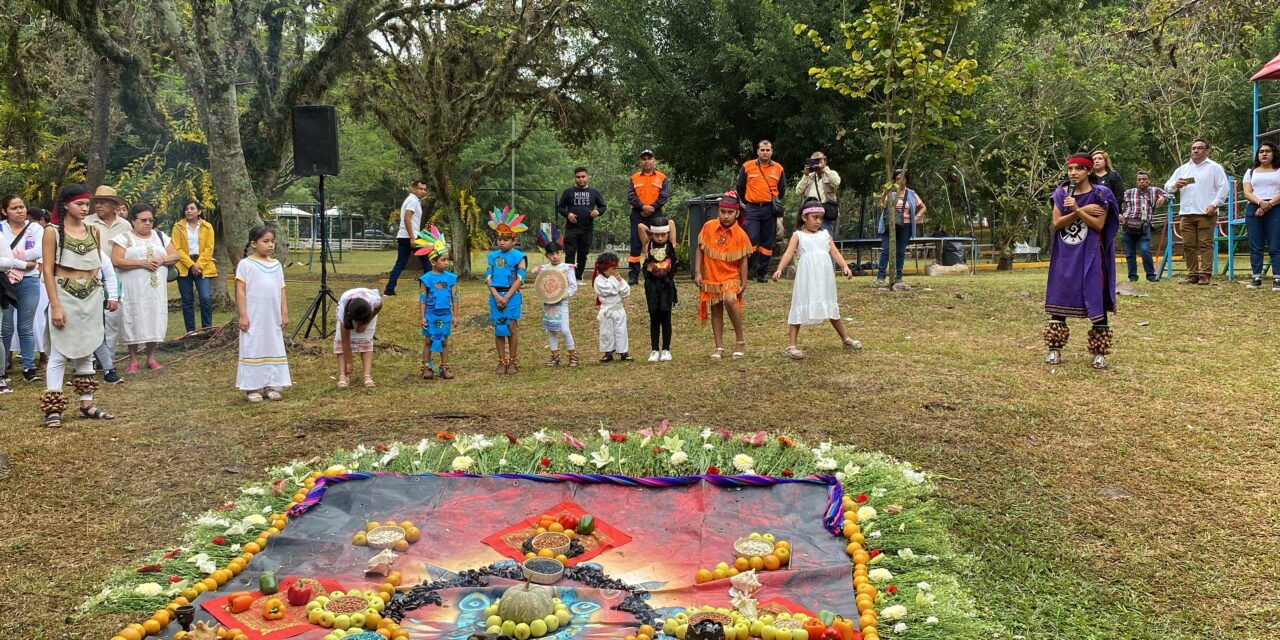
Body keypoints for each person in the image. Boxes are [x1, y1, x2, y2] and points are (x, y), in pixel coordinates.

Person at [40, 184, 120, 427]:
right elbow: (47, 269)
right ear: (66, 205)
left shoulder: (93, 231)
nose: (85, 208)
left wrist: (94, 282)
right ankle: (53, 408)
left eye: (87, 204)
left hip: (90, 297)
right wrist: (55, 305)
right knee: (59, 353)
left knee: (87, 348)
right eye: (80, 204)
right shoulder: (53, 232)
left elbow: (96, 261)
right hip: (64, 296)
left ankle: (87, 403)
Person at [1044, 154, 1120, 370]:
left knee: (1095, 292)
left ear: (1089, 171)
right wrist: (1081, 211)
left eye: (1078, 169)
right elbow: (1058, 223)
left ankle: (1099, 352)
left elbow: (1098, 225)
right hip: (1065, 253)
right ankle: (1054, 348)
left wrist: (1077, 209)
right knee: (1061, 293)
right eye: (1070, 169)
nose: (1073, 173)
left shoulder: (1100, 193)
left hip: (1091, 252)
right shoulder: (1061, 192)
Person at [772, 201, 860, 359]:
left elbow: (835, 253)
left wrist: (844, 266)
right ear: (804, 217)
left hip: (824, 278)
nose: (818, 221)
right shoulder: (798, 235)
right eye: (815, 217)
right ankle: (792, 345)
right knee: (799, 305)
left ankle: (845, 338)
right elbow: (788, 254)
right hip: (807, 278)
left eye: (821, 218)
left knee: (830, 304)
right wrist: (779, 269)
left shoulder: (825, 235)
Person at [110, 203, 178, 372]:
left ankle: (151, 357)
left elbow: (176, 255)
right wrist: (141, 262)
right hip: (132, 289)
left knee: (154, 319)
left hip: (155, 290)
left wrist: (162, 260)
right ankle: (133, 359)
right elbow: (116, 260)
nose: (148, 223)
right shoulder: (124, 238)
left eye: (151, 220)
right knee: (132, 320)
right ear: (134, 221)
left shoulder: (160, 236)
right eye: (143, 220)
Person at [235, 226, 291, 402]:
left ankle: (271, 385)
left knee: (271, 346)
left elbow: (281, 289)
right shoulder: (245, 264)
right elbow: (241, 290)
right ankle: (251, 388)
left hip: (272, 317)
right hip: (254, 316)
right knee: (253, 345)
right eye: (265, 241)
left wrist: (284, 312)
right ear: (253, 243)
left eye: (272, 241)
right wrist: (243, 315)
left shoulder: (276, 265)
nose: (270, 245)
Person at [695, 193, 752, 360]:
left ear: (737, 214)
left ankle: (740, 341)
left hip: (731, 276)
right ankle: (719, 347)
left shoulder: (740, 234)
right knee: (716, 308)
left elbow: (743, 260)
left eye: (730, 213)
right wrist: (698, 272)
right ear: (719, 211)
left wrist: (744, 281)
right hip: (711, 276)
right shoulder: (708, 227)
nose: (726, 216)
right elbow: (700, 249)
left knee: (730, 300)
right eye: (723, 212)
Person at [1164, 139, 1229, 285]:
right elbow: (1167, 187)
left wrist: (1214, 204)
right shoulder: (1183, 169)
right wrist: (1175, 184)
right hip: (1186, 213)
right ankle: (1192, 274)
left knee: (1205, 244)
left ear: (1207, 150)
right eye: (1193, 148)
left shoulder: (1214, 168)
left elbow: (1223, 189)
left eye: (1200, 148)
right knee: (1188, 245)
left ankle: (1205, 274)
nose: (1196, 151)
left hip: (1206, 212)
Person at [85, 185, 131, 384]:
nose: (99, 205)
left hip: (116, 275)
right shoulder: (87, 222)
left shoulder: (125, 225)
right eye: (97, 202)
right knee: (92, 320)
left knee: (111, 319)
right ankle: (89, 361)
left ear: (115, 205)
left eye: (103, 202)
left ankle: (107, 359)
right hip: (91, 275)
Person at [1, 195, 44, 383]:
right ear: (4, 211)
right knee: (6, 327)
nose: (20, 211)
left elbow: (39, 251)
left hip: (29, 281)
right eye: (14, 208)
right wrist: (24, 263)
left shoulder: (34, 228)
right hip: (5, 281)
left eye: (22, 206)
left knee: (26, 326)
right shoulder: (1, 229)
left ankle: (29, 367)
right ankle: (3, 368)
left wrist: (13, 259)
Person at [736, 140, 787, 282]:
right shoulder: (747, 166)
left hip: (769, 209)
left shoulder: (778, 168)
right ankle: (747, 268)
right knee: (751, 238)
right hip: (752, 208)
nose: (765, 152)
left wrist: (772, 202)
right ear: (757, 151)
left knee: (767, 242)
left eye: (768, 150)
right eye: (762, 150)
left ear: (772, 151)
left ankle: (762, 273)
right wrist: (747, 202)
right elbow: (740, 187)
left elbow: (781, 190)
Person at [529, 225, 580, 367]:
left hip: (562, 303)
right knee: (551, 329)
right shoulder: (544, 269)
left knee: (564, 329)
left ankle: (573, 355)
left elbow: (573, 286)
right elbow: (541, 284)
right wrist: (547, 295)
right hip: (548, 303)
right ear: (547, 256)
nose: (555, 256)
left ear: (561, 252)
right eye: (551, 254)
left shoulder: (567, 268)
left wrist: (563, 295)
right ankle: (555, 355)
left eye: (557, 253)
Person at [486, 207, 528, 374]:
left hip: (512, 297)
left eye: (506, 239)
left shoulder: (519, 256)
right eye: (499, 239)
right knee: (499, 329)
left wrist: (507, 296)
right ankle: (501, 361)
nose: (502, 242)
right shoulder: (492, 257)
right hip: (496, 296)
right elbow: (488, 277)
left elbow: (520, 278)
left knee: (511, 328)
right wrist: (496, 296)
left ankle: (513, 361)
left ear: (514, 239)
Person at [417, 225, 458, 380]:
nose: (447, 262)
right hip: (431, 314)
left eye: (448, 259)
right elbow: (423, 299)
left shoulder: (451, 278)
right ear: (433, 262)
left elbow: (454, 298)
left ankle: (444, 368)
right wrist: (422, 317)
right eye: (443, 260)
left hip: (445, 314)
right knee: (428, 340)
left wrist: (455, 315)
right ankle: (426, 368)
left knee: (444, 341)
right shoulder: (426, 279)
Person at [171, 200, 217, 332]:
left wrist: (199, 265)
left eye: (192, 208)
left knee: (205, 298)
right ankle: (190, 331)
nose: (189, 211)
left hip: (203, 265)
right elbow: (177, 248)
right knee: (187, 300)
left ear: (199, 211)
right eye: (186, 209)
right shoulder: (178, 227)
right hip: (184, 266)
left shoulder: (207, 227)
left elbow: (209, 248)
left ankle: (207, 329)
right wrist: (191, 265)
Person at [877, 170, 927, 290]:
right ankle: (881, 277)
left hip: (906, 226)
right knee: (886, 250)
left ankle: (898, 277)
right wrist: (884, 194)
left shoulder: (911, 194)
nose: (901, 181)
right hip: (889, 225)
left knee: (900, 252)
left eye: (904, 178)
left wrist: (917, 216)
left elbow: (923, 207)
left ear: (907, 180)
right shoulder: (890, 192)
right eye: (898, 178)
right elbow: (881, 205)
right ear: (894, 180)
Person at [638, 216, 677, 362]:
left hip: (666, 287)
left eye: (663, 234)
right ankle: (654, 350)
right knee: (654, 318)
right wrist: (651, 232)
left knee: (666, 318)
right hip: (652, 287)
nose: (660, 238)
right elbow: (640, 226)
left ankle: (666, 349)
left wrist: (663, 229)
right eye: (657, 235)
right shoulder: (648, 245)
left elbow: (671, 223)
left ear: (667, 234)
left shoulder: (671, 245)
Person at [627, 150, 669, 284]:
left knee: (657, 242)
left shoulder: (662, 177)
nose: (646, 161)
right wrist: (642, 207)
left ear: (654, 160)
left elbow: (664, 196)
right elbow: (631, 196)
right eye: (644, 159)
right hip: (637, 213)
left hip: (655, 214)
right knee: (635, 244)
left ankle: (655, 271)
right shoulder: (634, 177)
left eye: (649, 158)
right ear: (641, 161)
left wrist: (651, 208)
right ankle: (633, 276)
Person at [557, 167, 607, 281]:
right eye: (578, 177)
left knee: (582, 254)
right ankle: (569, 279)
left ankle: (578, 277)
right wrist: (568, 214)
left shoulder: (594, 192)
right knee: (570, 254)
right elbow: (560, 207)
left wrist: (598, 212)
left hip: (587, 229)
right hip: (571, 229)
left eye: (583, 177)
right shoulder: (568, 192)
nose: (580, 179)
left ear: (588, 177)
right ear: (574, 177)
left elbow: (603, 206)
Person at [1242, 142, 1280, 290]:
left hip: (1276, 208)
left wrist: (1268, 205)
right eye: (1261, 151)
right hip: (1254, 208)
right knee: (1255, 245)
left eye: (1268, 151)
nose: (1264, 154)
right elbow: (1247, 192)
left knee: (1275, 244)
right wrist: (1260, 203)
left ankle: (1277, 278)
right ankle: (1256, 277)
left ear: (1274, 153)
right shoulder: (1251, 172)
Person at [1119, 171, 1167, 284]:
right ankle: (1132, 277)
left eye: (1144, 179)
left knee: (1145, 250)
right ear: (1136, 182)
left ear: (1149, 181)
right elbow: (1116, 202)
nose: (1142, 181)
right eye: (1139, 179)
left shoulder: (1155, 190)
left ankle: (1150, 276)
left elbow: (1170, 195)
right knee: (1130, 253)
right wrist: (1119, 214)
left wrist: (1163, 198)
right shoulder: (1129, 192)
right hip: (1129, 225)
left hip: (1144, 226)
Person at [384, 180, 428, 295]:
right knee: (427, 260)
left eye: (425, 189)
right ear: (414, 189)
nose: (423, 191)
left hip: (403, 236)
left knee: (400, 264)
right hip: (409, 237)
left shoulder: (413, 200)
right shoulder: (412, 201)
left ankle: (389, 290)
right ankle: (427, 288)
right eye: (420, 189)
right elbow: (407, 218)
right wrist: (412, 238)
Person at [334, 287, 383, 388]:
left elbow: (379, 307)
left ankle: (367, 376)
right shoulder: (343, 313)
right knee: (339, 342)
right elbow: (345, 341)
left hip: (367, 315)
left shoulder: (374, 301)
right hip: (349, 313)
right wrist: (349, 361)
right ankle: (343, 375)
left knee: (365, 342)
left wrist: (366, 322)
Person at [592, 251, 631, 362]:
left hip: (619, 309)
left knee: (621, 331)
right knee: (607, 332)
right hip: (607, 310)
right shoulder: (598, 280)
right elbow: (608, 291)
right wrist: (618, 286)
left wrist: (620, 281)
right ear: (605, 269)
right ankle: (608, 352)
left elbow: (626, 292)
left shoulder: (616, 278)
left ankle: (623, 352)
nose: (615, 271)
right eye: (612, 269)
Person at [794, 151, 842, 237]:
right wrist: (806, 175)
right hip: (810, 215)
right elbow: (798, 191)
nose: (816, 163)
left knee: (826, 242)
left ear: (825, 160)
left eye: (819, 160)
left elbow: (836, 182)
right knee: (809, 241)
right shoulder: (809, 176)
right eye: (813, 161)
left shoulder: (831, 174)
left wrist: (824, 168)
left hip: (825, 215)